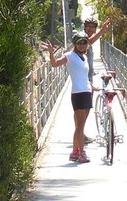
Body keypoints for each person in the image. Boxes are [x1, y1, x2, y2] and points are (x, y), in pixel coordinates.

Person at [43, 31, 93, 163]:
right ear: (75, 44)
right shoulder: (70, 56)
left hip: (87, 92)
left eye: (84, 42)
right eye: (79, 43)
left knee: (80, 125)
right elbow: (55, 64)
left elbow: (84, 77)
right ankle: (81, 153)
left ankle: (75, 152)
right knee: (80, 125)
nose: (82, 45)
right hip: (77, 93)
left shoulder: (85, 58)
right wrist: (51, 53)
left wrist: (93, 87)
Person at [81, 17, 110, 83]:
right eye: (88, 26)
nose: (90, 29)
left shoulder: (88, 41)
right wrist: (102, 30)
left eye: (93, 27)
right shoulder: (81, 38)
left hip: (88, 78)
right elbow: (89, 42)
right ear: (85, 27)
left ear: (95, 29)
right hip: (83, 80)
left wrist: (92, 71)